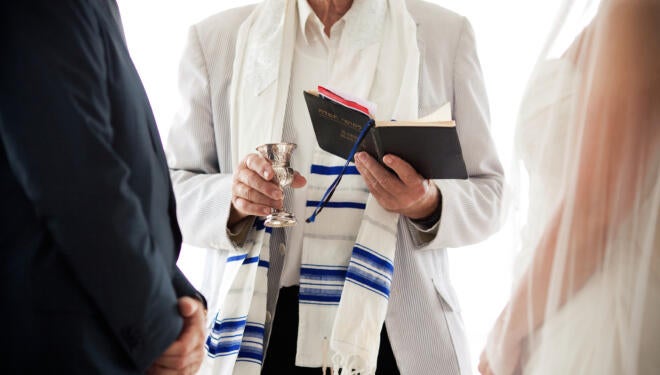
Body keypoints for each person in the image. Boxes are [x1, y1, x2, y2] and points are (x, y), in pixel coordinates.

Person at [167, 0, 503, 373]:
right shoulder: (216, 39)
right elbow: (170, 194)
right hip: (260, 332)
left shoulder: (444, 35)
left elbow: (491, 193)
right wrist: (232, 199)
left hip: (395, 333)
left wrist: (427, 203)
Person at [0, 1, 208, 373]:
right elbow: (78, 180)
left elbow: (124, 178)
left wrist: (178, 298)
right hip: (68, 341)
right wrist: (158, 326)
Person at [478, 0, 659, 374]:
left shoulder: (637, 9)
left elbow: (595, 210)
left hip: (599, 316)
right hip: (557, 306)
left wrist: (507, 330)